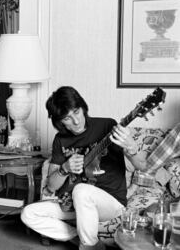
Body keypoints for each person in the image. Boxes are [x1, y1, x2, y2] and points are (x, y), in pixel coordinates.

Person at [21, 86, 146, 250]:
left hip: (110, 203)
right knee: (28, 214)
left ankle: (88, 246)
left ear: (83, 107)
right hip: (72, 203)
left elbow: (142, 165)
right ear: (59, 122)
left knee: (81, 190)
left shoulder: (107, 126)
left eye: (77, 111)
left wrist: (131, 146)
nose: (76, 121)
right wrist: (64, 168)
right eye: (67, 118)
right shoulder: (60, 139)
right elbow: (51, 186)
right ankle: (84, 238)